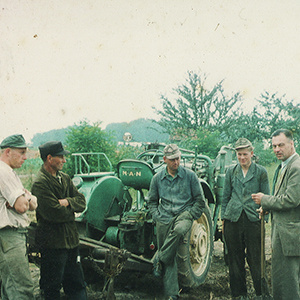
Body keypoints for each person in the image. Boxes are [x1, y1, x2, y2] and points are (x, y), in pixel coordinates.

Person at [147, 144, 205, 300]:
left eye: (178, 159)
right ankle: (172, 294)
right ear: (165, 159)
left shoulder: (190, 176)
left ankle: (159, 258)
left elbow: (200, 201)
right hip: (164, 216)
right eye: (172, 160)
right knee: (171, 253)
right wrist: (157, 216)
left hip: (183, 215)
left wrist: (191, 214)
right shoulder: (157, 179)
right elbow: (151, 201)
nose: (176, 162)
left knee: (179, 231)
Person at [31, 141, 87, 300]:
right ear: (49, 158)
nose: (64, 160)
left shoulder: (65, 178)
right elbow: (54, 213)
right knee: (51, 286)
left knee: (77, 284)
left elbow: (82, 202)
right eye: (61, 157)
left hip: (71, 241)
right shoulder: (40, 183)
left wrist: (67, 202)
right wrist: (72, 212)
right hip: (53, 244)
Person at [252, 129, 300, 300]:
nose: (277, 149)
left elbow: (291, 200)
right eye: (274, 146)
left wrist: (265, 200)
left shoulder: (296, 167)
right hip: (284, 236)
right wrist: (268, 208)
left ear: (292, 144)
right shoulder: (285, 166)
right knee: (282, 280)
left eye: (281, 145)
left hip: (290, 237)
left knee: (289, 284)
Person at [221, 138, 270, 299]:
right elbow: (225, 196)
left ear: (252, 153)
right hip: (233, 219)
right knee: (234, 259)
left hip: (253, 219)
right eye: (239, 154)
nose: (242, 158)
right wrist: (223, 218)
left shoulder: (260, 172)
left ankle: (261, 293)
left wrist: (265, 214)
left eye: (245, 154)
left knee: (256, 259)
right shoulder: (231, 171)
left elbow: (266, 197)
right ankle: (239, 294)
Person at [0, 134, 38, 299]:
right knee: (21, 288)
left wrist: (26, 197)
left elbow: (33, 204)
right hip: (9, 236)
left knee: (9, 287)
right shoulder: (4, 171)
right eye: (21, 153)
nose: (25, 157)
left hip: (11, 236)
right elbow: (23, 206)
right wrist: (26, 197)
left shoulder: (10, 173)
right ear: (8, 151)